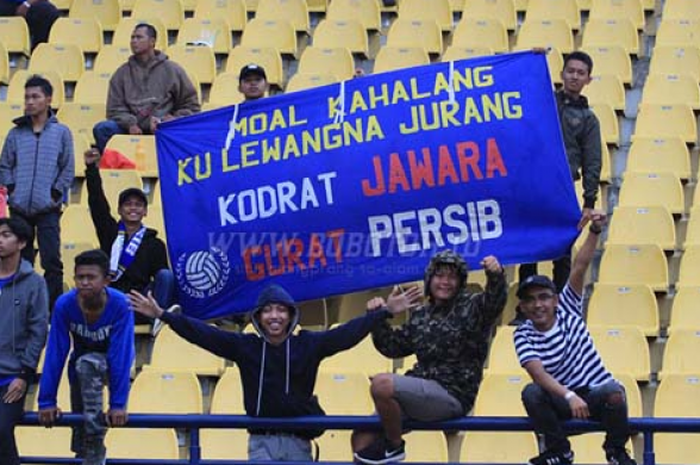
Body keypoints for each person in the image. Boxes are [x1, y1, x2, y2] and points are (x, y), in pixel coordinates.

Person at [128, 283, 422, 462]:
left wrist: (384, 312)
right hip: (261, 443)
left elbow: (346, 334)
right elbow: (203, 334)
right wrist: (163, 315)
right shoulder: (246, 347)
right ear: (258, 317)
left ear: (291, 315)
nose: (275, 316)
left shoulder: (308, 344)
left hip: (298, 443)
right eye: (268, 311)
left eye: (281, 310)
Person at [352, 251, 508, 464]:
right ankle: (390, 449)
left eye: (452, 277)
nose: (445, 282)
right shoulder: (421, 314)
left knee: (381, 385)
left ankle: (394, 447)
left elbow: (494, 302)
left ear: (461, 282)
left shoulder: (473, 307)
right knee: (363, 436)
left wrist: (496, 275)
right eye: (439, 275)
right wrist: (380, 314)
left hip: (452, 394)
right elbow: (392, 347)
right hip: (419, 390)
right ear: (429, 279)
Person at [514, 211, 636, 465]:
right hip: (561, 398)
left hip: (594, 393)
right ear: (523, 307)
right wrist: (569, 396)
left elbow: (580, 266)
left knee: (615, 392)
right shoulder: (522, 332)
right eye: (530, 299)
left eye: (544, 297)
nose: (538, 304)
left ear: (555, 300)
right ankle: (560, 451)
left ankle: (615, 451)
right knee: (531, 392)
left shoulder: (568, 308)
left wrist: (594, 231)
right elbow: (538, 374)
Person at [38, 249, 135, 465]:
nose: (84, 283)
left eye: (91, 277)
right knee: (81, 365)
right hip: (81, 368)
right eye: (80, 277)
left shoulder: (120, 304)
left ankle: (94, 446)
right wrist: (46, 400)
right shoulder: (65, 304)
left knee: (88, 362)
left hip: (113, 363)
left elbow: (121, 355)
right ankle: (84, 447)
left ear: (106, 280)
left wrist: (118, 403)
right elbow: (56, 352)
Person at [519, 50, 602, 293]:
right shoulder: (544, 101)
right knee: (529, 244)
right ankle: (526, 303)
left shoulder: (588, 120)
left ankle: (561, 304)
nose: (575, 76)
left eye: (581, 73)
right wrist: (533, 60)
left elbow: (592, 161)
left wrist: (589, 201)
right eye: (571, 71)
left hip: (562, 189)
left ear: (588, 79)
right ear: (562, 74)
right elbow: (522, 88)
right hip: (533, 184)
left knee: (563, 247)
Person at [0, 74, 75, 311]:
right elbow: (4, 165)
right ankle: (19, 306)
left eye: (35, 96)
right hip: (19, 207)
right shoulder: (15, 133)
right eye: (26, 97)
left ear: (48, 99)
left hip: (48, 208)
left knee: (52, 259)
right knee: (20, 260)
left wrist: (55, 193)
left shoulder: (61, 133)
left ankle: (52, 309)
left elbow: (68, 167)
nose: (30, 102)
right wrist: (12, 189)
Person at [83, 148, 175, 334]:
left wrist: (145, 299)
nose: (133, 208)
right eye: (128, 204)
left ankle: (158, 319)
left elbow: (161, 281)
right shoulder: (110, 233)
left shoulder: (154, 243)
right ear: (119, 210)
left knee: (166, 275)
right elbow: (97, 204)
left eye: (138, 205)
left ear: (145, 211)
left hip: (141, 301)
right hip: (113, 298)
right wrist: (91, 168)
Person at [92, 23, 200, 154]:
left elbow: (191, 106)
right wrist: (130, 123)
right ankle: (118, 168)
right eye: (132, 38)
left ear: (152, 42)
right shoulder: (121, 73)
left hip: (164, 129)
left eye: (139, 37)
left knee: (187, 130)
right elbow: (114, 109)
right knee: (103, 129)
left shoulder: (172, 70)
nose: (133, 41)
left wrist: (172, 119)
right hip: (131, 130)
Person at [0, 216, 49, 465]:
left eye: (5, 235)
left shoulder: (35, 283)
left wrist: (24, 374)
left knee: (0, 430)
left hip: (11, 378)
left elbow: (38, 330)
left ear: (21, 243)